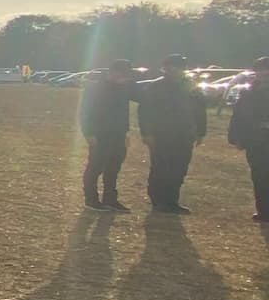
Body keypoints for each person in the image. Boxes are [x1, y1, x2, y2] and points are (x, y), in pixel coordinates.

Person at [138, 53, 207, 213]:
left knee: (179, 167)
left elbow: (200, 110)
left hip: (184, 134)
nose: (175, 70)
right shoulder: (155, 87)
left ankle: (171, 200)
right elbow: (145, 112)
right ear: (165, 68)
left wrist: (200, 131)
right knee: (160, 167)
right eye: (171, 67)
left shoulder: (191, 87)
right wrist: (147, 133)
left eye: (179, 67)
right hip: (161, 134)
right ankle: (157, 199)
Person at [78, 59, 137, 211]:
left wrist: (125, 133)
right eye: (122, 74)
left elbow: (123, 113)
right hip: (100, 135)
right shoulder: (95, 88)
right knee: (95, 167)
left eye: (127, 75)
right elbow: (85, 112)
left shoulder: (123, 89)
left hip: (118, 135)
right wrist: (89, 133)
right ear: (112, 72)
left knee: (113, 168)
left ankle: (110, 199)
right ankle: (91, 200)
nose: (125, 78)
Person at [227, 56, 269, 222]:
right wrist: (236, 137)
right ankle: (264, 211)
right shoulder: (248, 93)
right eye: (261, 73)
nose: (264, 76)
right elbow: (238, 116)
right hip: (256, 141)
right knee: (259, 175)